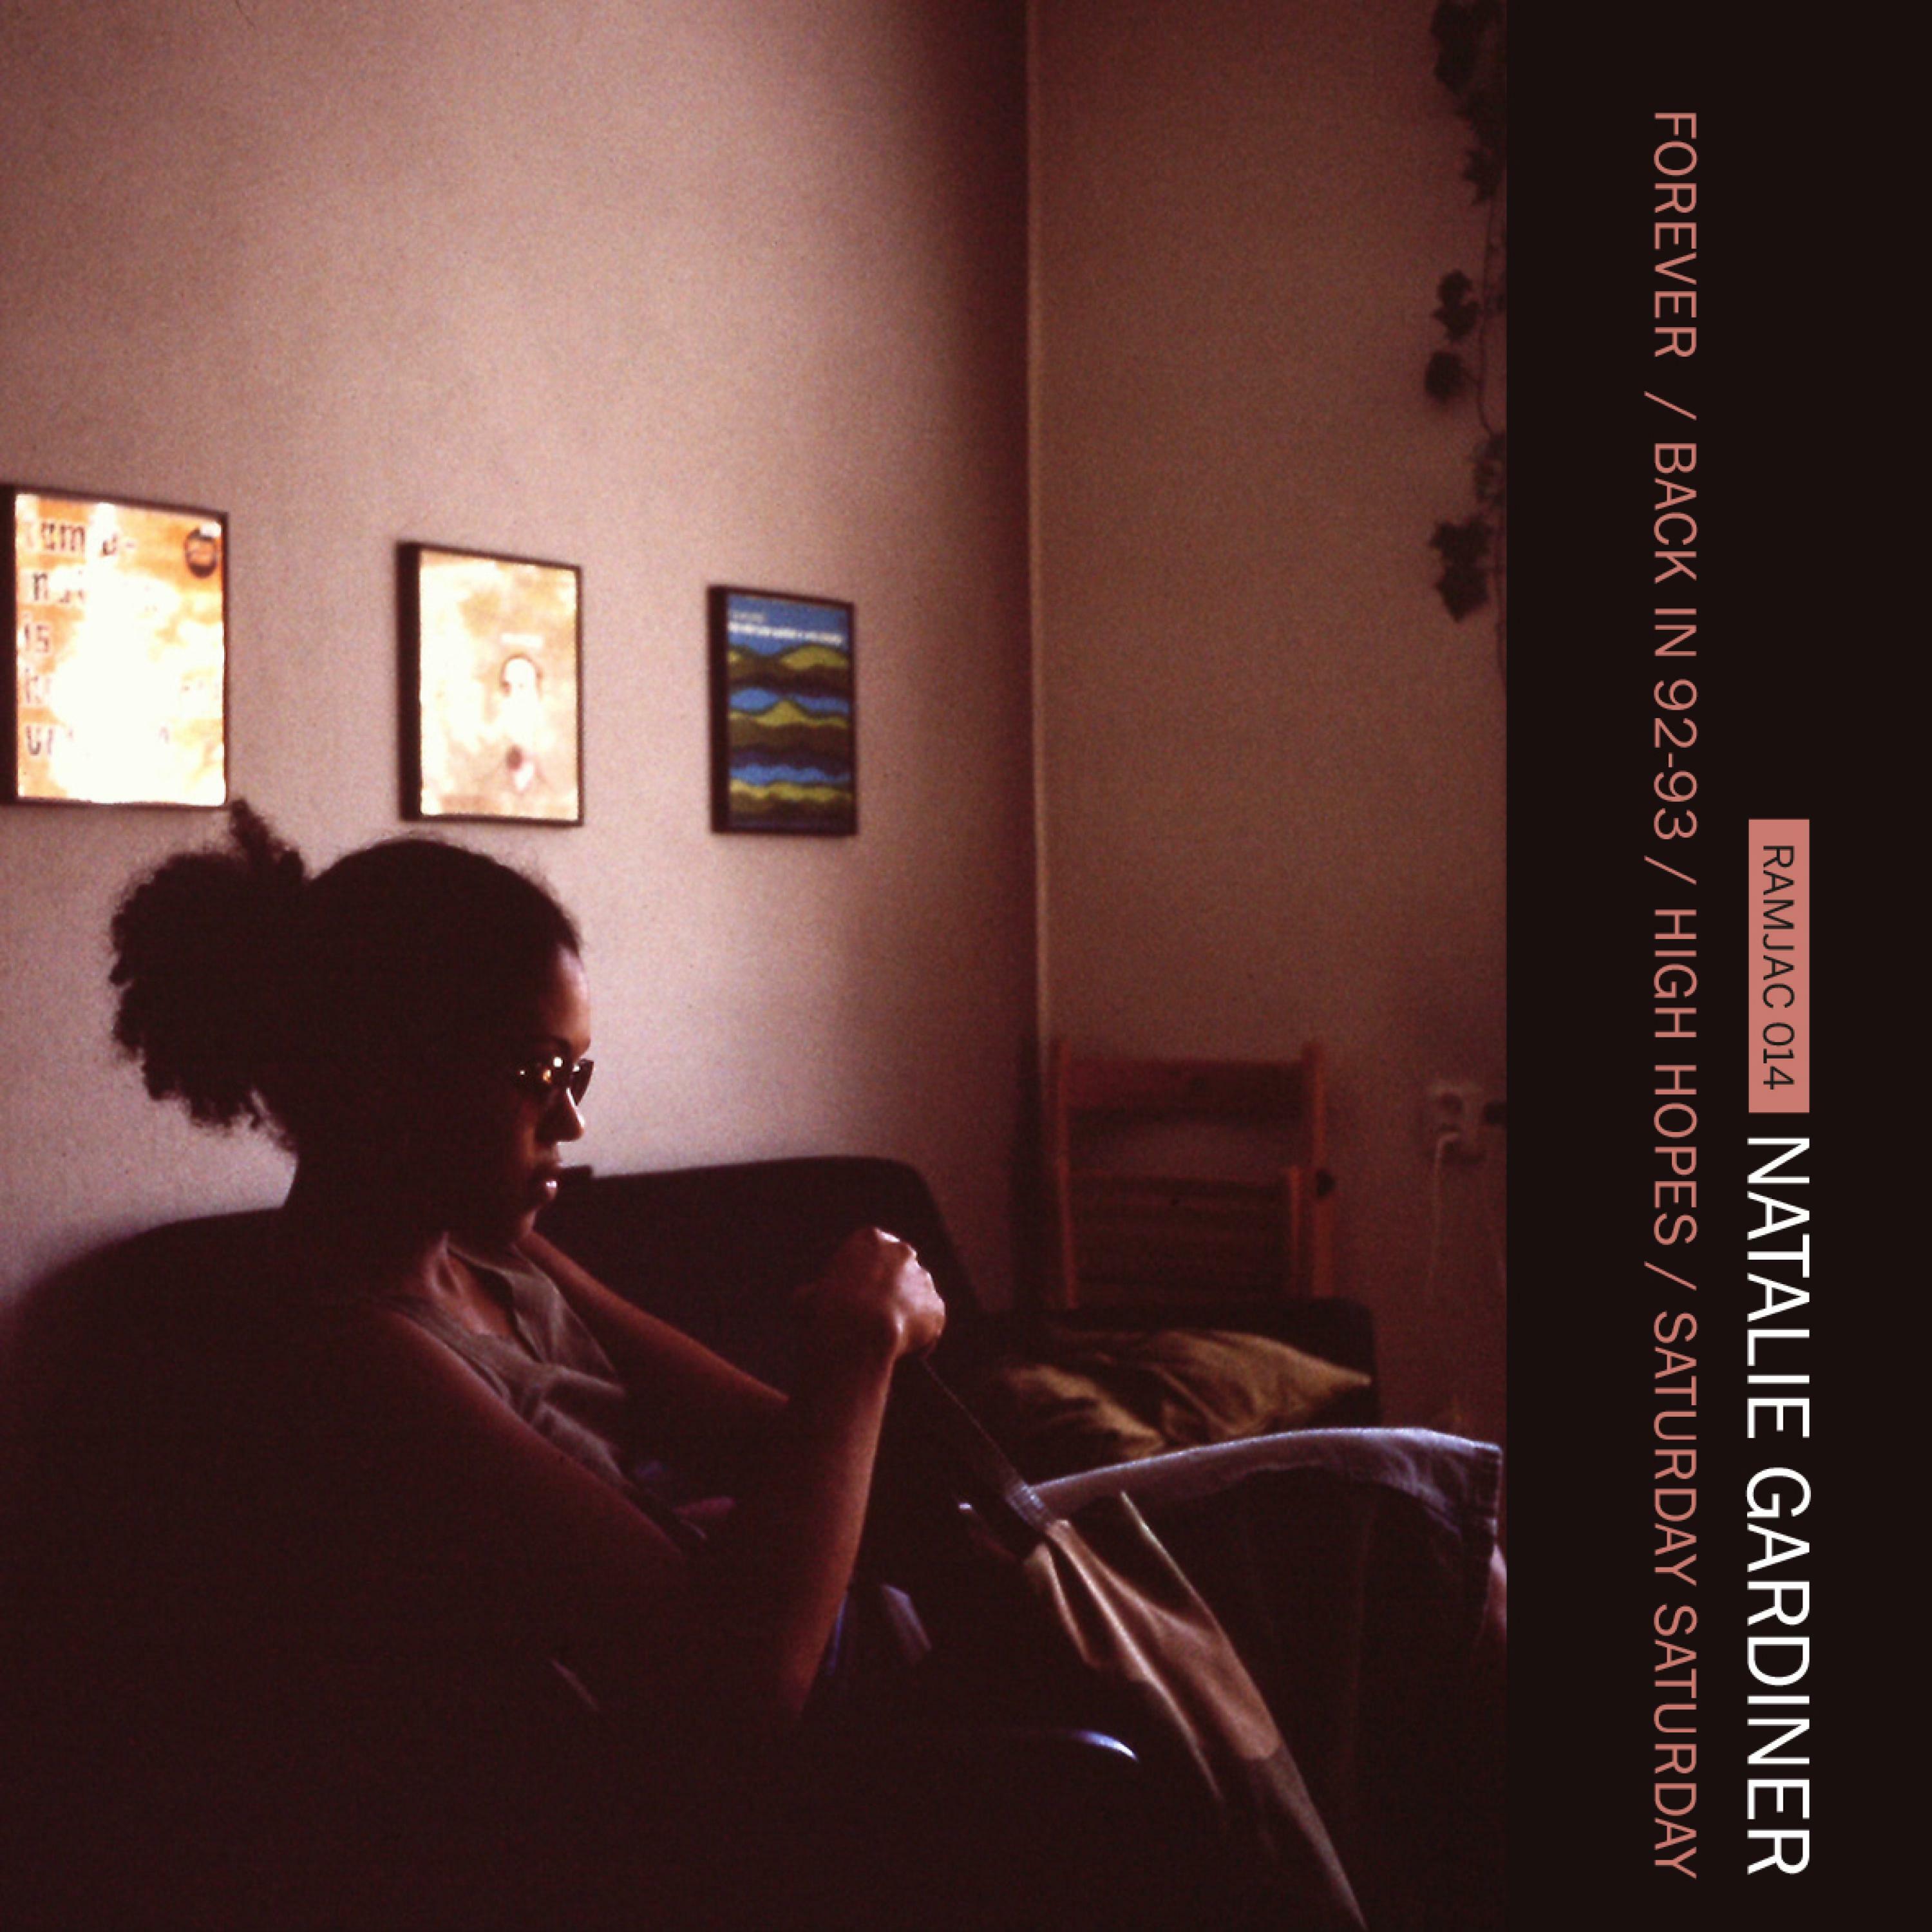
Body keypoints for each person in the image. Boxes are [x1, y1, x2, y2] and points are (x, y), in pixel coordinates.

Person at [10, 804, 1501, 1929]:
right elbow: (742, 1687)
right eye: (539, 1077)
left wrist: (855, 1376)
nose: (571, 1127)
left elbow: (780, 1443)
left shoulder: (502, 1262)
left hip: (910, 1596)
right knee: (1400, 1520)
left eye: (578, 1076)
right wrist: (860, 1350)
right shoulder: (353, 1359)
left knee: (1434, 1522)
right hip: (850, 1715)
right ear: (391, 1071)